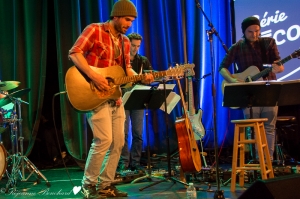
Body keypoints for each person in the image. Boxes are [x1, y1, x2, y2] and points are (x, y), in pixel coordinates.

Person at [68, 1, 154, 198]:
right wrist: (94, 76)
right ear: (116, 16)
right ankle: (88, 185)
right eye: (127, 19)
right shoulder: (95, 30)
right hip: (94, 94)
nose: (129, 24)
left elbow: (126, 70)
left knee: (118, 142)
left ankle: (105, 184)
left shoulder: (124, 41)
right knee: (104, 140)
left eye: (132, 21)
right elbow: (75, 53)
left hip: (115, 97)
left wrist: (141, 76)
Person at [219, 16, 284, 161]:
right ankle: (256, 163)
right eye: (250, 32)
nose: (255, 34)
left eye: (257, 31)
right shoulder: (237, 47)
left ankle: (267, 163)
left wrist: (278, 68)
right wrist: (233, 81)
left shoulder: (269, 43)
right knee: (254, 128)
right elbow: (222, 68)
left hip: (269, 89)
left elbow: (279, 66)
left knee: (269, 128)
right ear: (244, 31)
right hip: (249, 94)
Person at [117, 33, 153, 172]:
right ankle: (124, 162)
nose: (135, 49)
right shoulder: (120, 60)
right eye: (133, 45)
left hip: (138, 98)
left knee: (138, 133)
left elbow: (151, 77)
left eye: (138, 46)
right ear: (127, 44)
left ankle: (136, 163)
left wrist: (149, 79)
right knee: (123, 134)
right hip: (122, 98)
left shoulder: (143, 60)